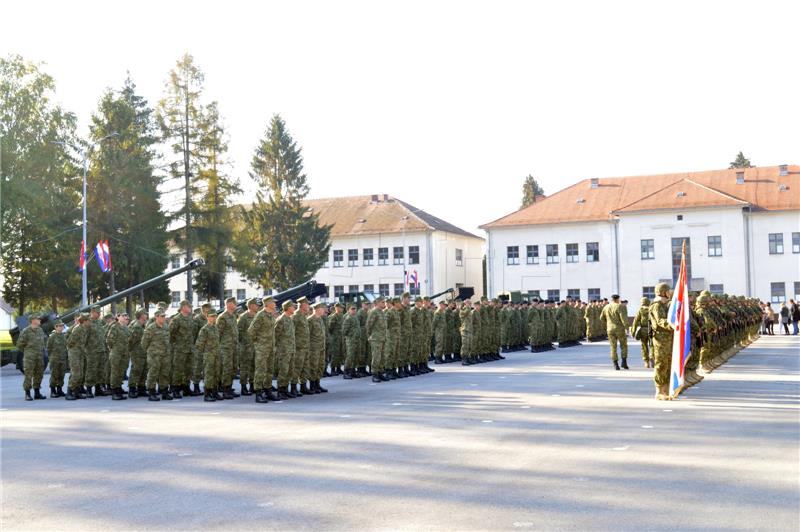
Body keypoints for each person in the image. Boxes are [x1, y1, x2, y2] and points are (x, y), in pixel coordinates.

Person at [249, 296, 278, 402]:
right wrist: (258, 343)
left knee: (270, 370)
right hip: (262, 347)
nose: (275, 304)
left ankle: (268, 390)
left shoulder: (270, 316)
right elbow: (251, 331)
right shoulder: (260, 315)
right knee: (260, 370)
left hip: (270, 347)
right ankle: (258, 393)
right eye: (273, 302)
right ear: (268, 303)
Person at [649, 283, 673, 400]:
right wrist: (673, 325)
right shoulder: (656, 306)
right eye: (668, 291)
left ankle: (666, 389)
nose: (670, 293)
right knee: (661, 364)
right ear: (663, 292)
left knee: (668, 364)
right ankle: (659, 390)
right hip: (660, 340)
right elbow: (660, 321)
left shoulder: (666, 305)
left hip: (668, 339)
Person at [142, 309, 172, 401]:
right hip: (154, 355)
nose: (163, 318)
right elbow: (144, 342)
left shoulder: (166, 327)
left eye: (164, 316)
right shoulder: (151, 328)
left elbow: (168, 340)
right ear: (156, 317)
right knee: (153, 373)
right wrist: (150, 352)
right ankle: (151, 392)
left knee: (165, 373)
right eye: (161, 316)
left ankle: (164, 391)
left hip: (165, 355)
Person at [18, 313, 48, 400]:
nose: (39, 320)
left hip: (39, 356)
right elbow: (20, 345)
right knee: (28, 375)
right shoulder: (25, 331)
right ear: (33, 321)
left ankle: (37, 393)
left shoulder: (40, 330)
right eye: (38, 319)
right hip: (29, 357)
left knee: (39, 374)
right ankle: (27, 394)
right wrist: (28, 351)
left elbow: (43, 343)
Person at [217, 297, 240, 399]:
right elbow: (218, 334)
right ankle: (225, 389)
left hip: (234, 347)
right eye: (234, 303)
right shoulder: (222, 317)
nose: (236, 305)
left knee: (233, 369)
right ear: (229, 305)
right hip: (225, 348)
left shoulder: (233, 316)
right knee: (226, 369)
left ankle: (229, 388)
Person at [105, 312, 131, 400]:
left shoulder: (126, 328)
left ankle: (119, 387)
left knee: (121, 371)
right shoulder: (114, 327)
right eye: (123, 316)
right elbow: (109, 340)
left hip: (124, 353)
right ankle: (114, 391)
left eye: (126, 316)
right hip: (116, 353)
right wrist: (114, 349)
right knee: (115, 372)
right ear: (118, 317)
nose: (125, 317)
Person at [65, 313, 91, 400]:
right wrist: (75, 349)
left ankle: (76, 392)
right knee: (75, 373)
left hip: (80, 353)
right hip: (74, 353)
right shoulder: (77, 329)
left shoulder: (84, 328)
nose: (90, 322)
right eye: (89, 320)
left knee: (80, 374)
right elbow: (70, 342)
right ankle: (69, 393)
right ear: (85, 321)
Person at [275, 300, 297, 399]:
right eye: (292, 306)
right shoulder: (281, 320)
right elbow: (275, 336)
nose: (294, 308)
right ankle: (280, 390)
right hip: (283, 351)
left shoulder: (290, 319)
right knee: (283, 371)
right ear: (287, 308)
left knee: (290, 371)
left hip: (291, 349)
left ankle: (285, 389)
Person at [600, 295, 629, 370]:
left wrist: (608, 323)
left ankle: (615, 364)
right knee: (623, 345)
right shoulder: (621, 306)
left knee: (613, 347)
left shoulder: (606, 307)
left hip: (610, 329)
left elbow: (601, 318)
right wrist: (627, 328)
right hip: (620, 329)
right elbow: (624, 319)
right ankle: (624, 362)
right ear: (618, 299)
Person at [127, 309, 148, 398]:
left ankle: (141, 388)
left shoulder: (143, 325)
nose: (146, 315)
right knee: (136, 370)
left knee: (144, 370)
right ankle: (132, 388)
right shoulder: (136, 326)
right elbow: (131, 340)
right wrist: (132, 350)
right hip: (137, 352)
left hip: (143, 351)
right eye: (144, 313)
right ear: (140, 315)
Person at [46, 320, 67, 398]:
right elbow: (48, 348)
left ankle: (59, 390)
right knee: (54, 375)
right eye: (59, 326)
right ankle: (53, 391)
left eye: (62, 326)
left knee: (62, 375)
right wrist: (51, 357)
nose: (61, 327)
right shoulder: (52, 337)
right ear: (56, 327)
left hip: (63, 359)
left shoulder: (64, 336)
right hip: (54, 359)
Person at [631, 297, 653, 368]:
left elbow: (635, 321)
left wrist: (633, 332)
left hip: (643, 330)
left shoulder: (640, 310)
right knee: (652, 345)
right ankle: (652, 358)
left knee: (644, 346)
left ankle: (646, 362)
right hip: (652, 330)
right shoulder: (652, 309)